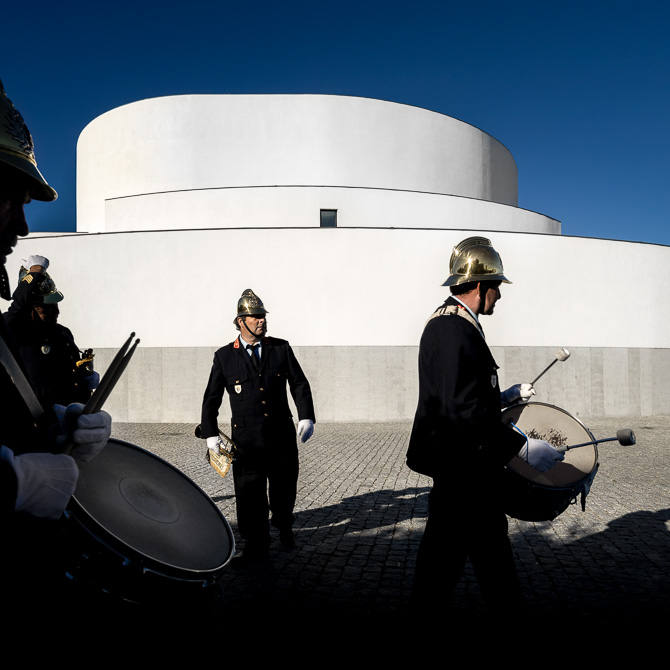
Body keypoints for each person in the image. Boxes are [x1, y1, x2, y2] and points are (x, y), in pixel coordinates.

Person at [406, 236, 563, 614]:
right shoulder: (453, 329)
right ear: (479, 286)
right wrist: (522, 447)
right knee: (462, 563)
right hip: (464, 470)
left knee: (467, 558)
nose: (500, 295)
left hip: (465, 469)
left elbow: (461, 393)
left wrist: (504, 397)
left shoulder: (452, 322)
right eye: (496, 287)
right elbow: (460, 409)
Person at [0, 79, 110, 525]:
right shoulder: (16, 325)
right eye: (8, 199)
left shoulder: (55, 333)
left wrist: (55, 430)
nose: (23, 226)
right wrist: (12, 483)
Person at [201, 288, 315, 561]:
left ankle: (284, 524)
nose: (262, 320)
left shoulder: (280, 348)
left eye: (263, 316)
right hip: (246, 441)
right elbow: (212, 397)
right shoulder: (224, 356)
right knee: (249, 492)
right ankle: (255, 542)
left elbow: (299, 383)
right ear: (241, 321)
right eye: (255, 317)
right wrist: (210, 434)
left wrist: (306, 416)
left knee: (284, 487)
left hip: (280, 434)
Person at [5, 255, 98, 408]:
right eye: (45, 309)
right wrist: (36, 272)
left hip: (67, 413)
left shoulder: (63, 333)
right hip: (38, 414)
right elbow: (16, 310)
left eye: (55, 306)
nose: (55, 312)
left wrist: (84, 382)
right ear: (30, 310)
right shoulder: (17, 331)